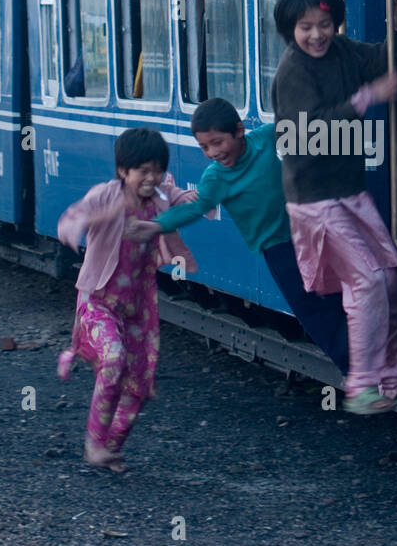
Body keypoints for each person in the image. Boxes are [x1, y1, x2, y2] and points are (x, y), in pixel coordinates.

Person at [270, 0, 397, 415]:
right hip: (315, 200)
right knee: (367, 279)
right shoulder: (291, 72)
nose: (317, 34)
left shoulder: (343, 52)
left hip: (349, 191)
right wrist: (366, 99)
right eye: (306, 26)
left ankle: (392, 382)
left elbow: (386, 59)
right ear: (291, 30)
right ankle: (360, 385)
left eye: (325, 23)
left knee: (391, 284)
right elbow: (306, 136)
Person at [125, 97, 351, 374]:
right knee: (314, 313)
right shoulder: (216, 178)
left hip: (313, 233)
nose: (212, 153)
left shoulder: (267, 139)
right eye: (204, 147)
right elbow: (197, 207)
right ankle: (358, 373)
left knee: (341, 299)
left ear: (239, 130)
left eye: (217, 142)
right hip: (277, 248)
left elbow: (302, 126)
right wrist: (157, 225)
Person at [54, 127, 198, 471]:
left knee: (140, 382)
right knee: (114, 359)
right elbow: (69, 220)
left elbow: (187, 200)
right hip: (98, 300)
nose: (152, 178)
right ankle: (93, 444)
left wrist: (204, 195)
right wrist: (86, 224)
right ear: (123, 171)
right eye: (143, 171)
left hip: (137, 307)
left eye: (157, 170)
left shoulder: (161, 195)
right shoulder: (105, 195)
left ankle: (111, 447)